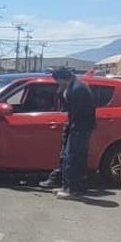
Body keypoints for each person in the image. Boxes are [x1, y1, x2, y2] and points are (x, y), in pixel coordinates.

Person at [48, 68, 96, 198]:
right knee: (66, 157)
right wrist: (59, 93)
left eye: (57, 81)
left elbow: (77, 113)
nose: (57, 83)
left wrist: (72, 128)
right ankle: (67, 186)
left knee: (73, 159)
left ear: (62, 78)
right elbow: (68, 108)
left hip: (80, 128)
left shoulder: (78, 89)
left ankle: (74, 189)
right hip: (75, 127)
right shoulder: (71, 87)